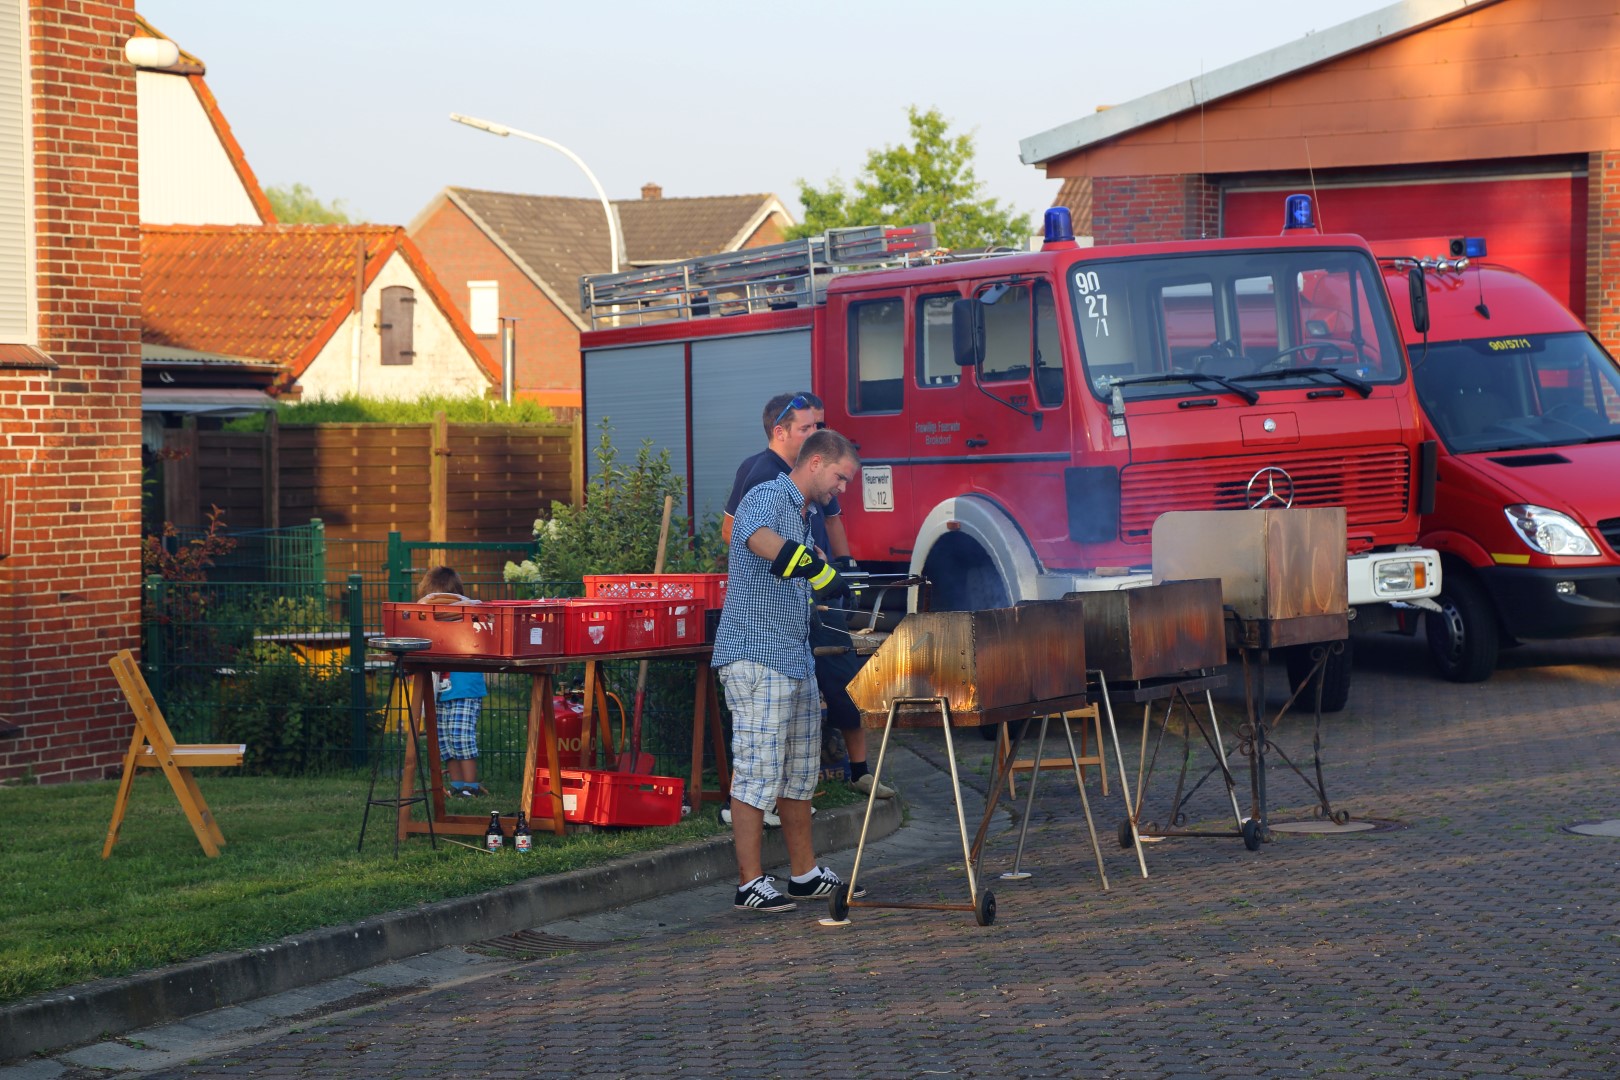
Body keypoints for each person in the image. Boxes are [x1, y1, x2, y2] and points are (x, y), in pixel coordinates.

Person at [715, 428, 868, 913]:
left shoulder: (804, 513)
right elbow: (751, 533)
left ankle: (803, 875)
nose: (841, 490)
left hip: (793, 656)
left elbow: (797, 566)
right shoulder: (771, 492)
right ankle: (749, 884)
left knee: (799, 774)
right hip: (756, 656)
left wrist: (824, 567)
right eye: (841, 479)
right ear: (817, 462)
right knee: (756, 771)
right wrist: (806, 564)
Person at [722, 391, 896, 803]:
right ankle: (749, 809)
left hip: (807, 610)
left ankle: (854, 774)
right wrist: (809, 566)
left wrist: (842, 568)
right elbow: (743, 533)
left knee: (843, 679)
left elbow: (831, 524)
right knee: (763, 744)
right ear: (781, 432)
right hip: (765, 634)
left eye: (819, 425)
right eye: (808, 427)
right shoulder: (763, 479)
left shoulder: (813, 489)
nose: (817, 432)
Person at [416, 566, 488, 799]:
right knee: (445, 741)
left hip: (464, 687)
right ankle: (458, 787)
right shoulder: (430, 620)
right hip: (441, 690)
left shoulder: (467, 614)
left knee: (461, 737)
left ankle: (471, 787)